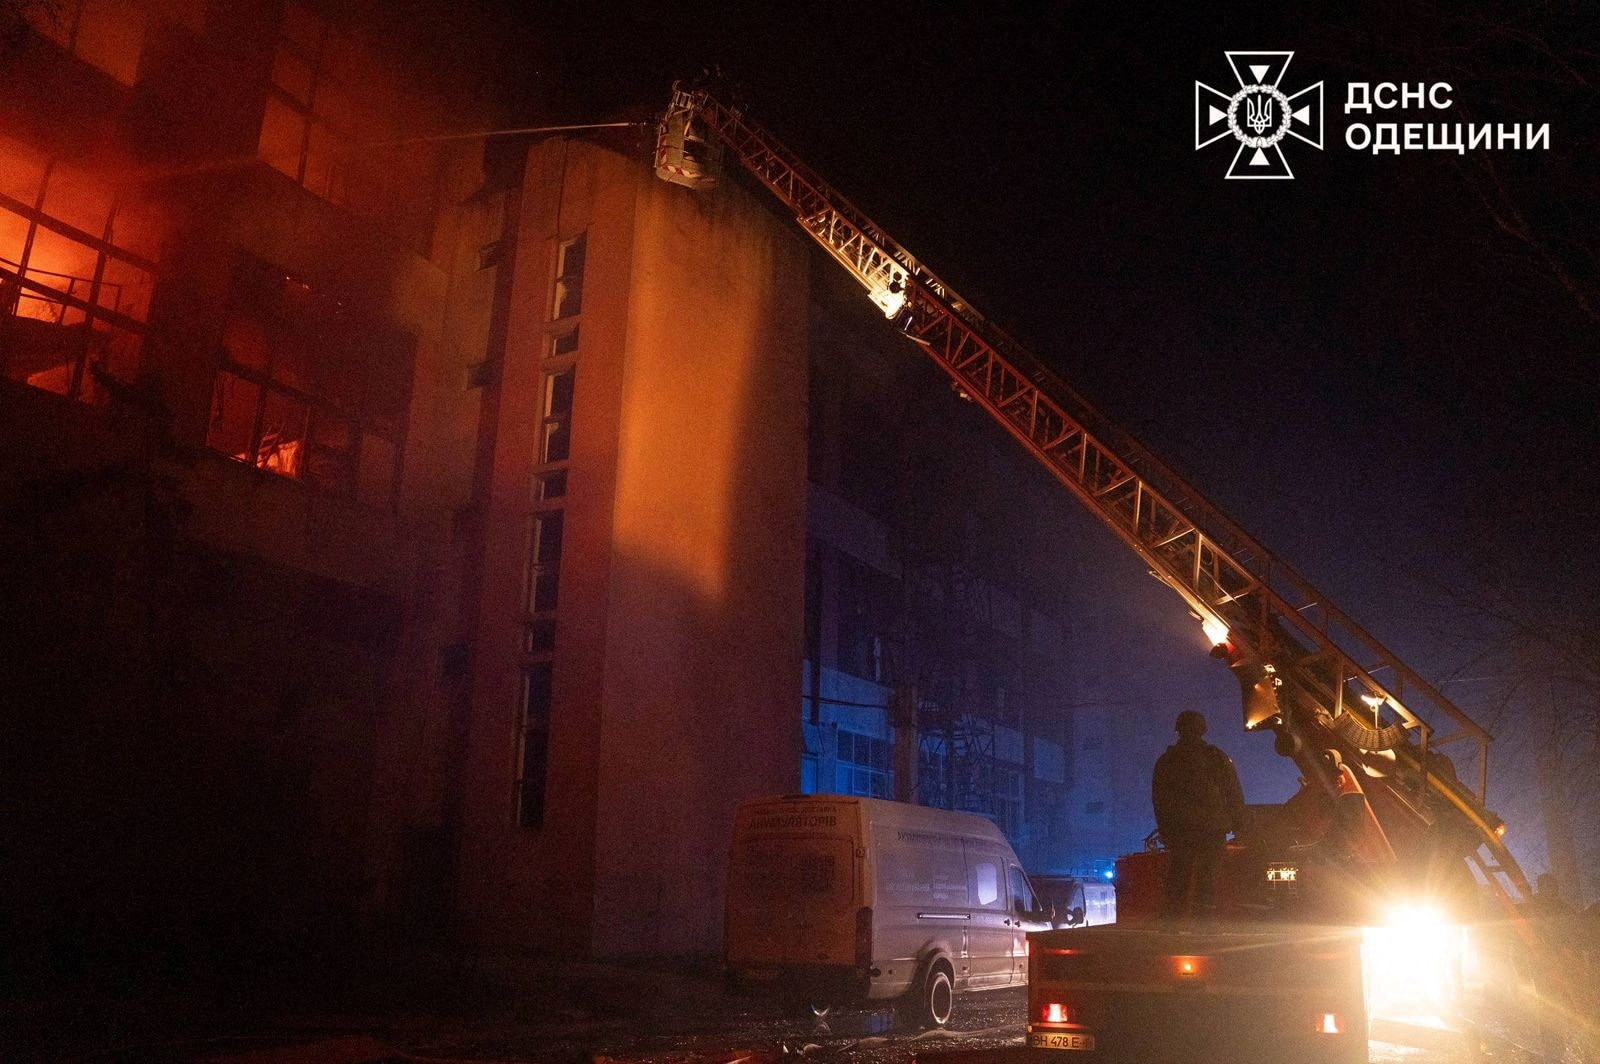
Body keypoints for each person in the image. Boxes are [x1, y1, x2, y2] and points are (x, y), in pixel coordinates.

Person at [1152, 710, 1245, 924]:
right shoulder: (1215, 757)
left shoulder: (1167, 761)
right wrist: (1240, 823)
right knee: (1207, 880)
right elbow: (1233, 792)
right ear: (1202, 729)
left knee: (1179, 878)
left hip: (1181, 831)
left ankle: (1171, 926)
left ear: (1179, 729)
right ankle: (1204, 925)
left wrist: (1166, 830)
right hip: (1211, 830)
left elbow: (1160, 800)